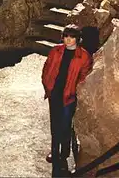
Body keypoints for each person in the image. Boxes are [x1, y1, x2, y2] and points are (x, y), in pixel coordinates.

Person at [41, 24, 93, 176]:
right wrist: (47, 84)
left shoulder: (84, 56)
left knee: (65, 127)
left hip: (69, 96)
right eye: (66, 36)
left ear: (78, 39)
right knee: (54, 125)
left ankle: (63, 155)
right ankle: (54, 152)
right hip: (54, 94)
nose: (68, 40)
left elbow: (84, 77)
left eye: (72, 37)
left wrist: (74, 93)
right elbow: (46, 68)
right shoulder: (55, 51)